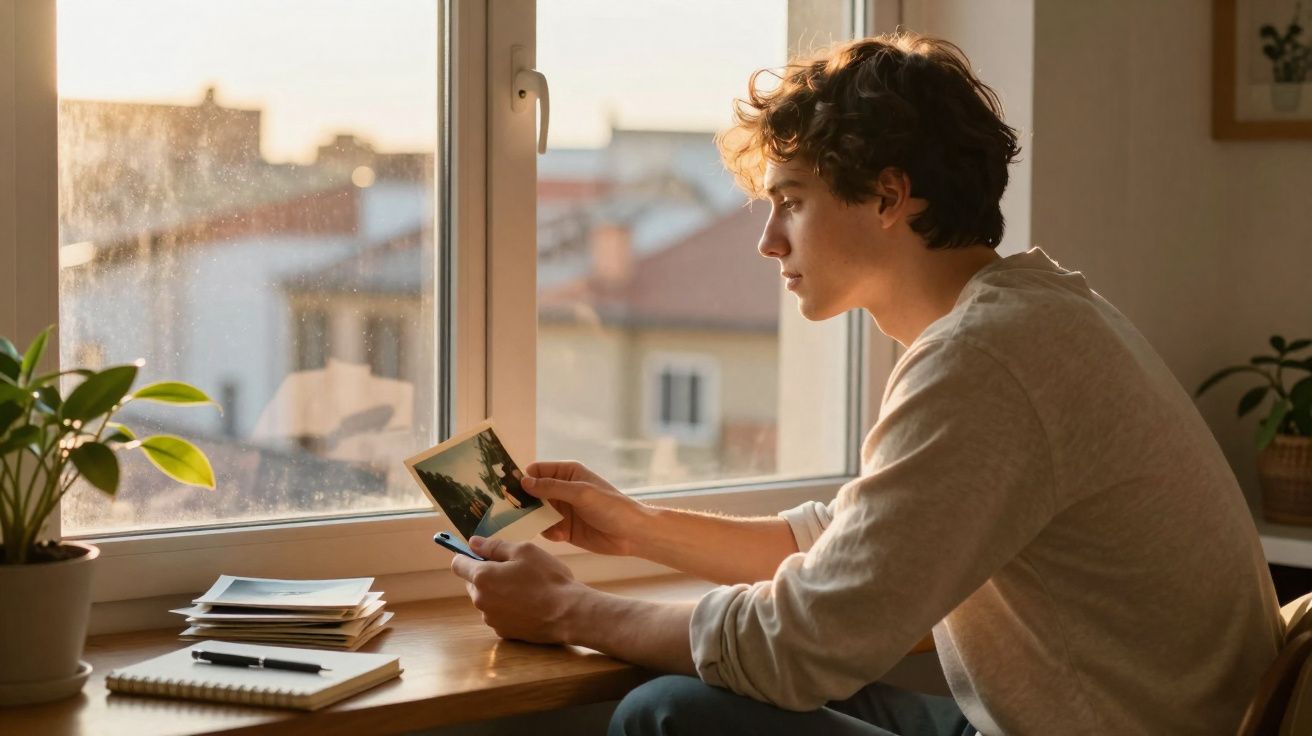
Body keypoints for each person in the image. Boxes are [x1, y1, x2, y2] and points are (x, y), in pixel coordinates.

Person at [449, 32, 1282, 735]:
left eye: (792, 202)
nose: (769, 241)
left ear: (889, 196)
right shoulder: (1030, 313)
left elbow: (801, 643)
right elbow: (847, 546)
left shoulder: (987, 359)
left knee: (668, 714)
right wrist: (636, 528)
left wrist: (570, 612)